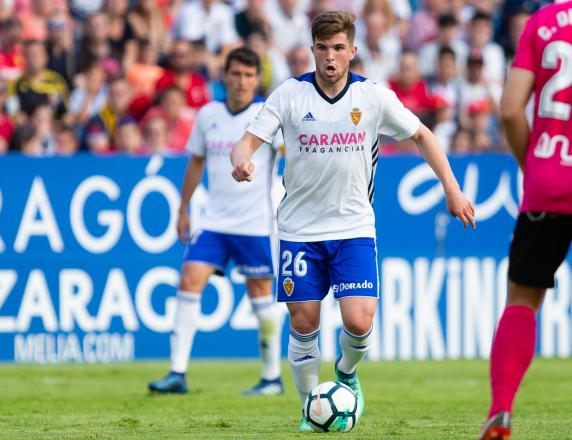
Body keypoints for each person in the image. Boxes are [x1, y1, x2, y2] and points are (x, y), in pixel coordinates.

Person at [230, 11, 475, 430]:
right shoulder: (289, 95)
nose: (330, 56)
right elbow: (247, 142)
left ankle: (346, 373)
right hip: (299, 231)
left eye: (339, 48)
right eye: (323, 48)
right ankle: (311, 408)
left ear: (352, 52)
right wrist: (242, 161)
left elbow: (422, 135)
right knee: (304, 322)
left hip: (353, 228)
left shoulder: (372, 97)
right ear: (312, 51)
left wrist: (451, 188)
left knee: (359, 322)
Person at [148, 47, 284, 396]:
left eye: (249, 75)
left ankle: (271, 377)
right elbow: (195, 162)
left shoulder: (267, 115)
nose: (242, 81)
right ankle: (177, 372)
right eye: (236, 74)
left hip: (256, 223)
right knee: (189, 279)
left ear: (257, 79)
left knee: (260, 296)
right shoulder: (208, 114)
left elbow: (294, 159)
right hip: (214, 221)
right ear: (225, 76)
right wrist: (183, 208)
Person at [478, 2, 572, 439]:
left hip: (549, 181)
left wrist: (532, 166)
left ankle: (501, 411)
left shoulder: (544, 22)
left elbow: (511, 110)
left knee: (522, 300)